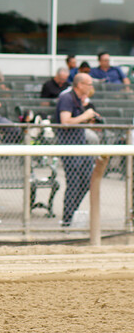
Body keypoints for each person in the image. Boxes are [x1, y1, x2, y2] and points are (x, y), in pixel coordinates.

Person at [54, 73, 99, 227]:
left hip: (82, 145)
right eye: (89, 84)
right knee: (73, 183)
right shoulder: (67, 97)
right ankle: (67, 219)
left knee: (87, 182)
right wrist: (85, 114)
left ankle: (73, 213)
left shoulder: (80, 100)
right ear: (80, 84)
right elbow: (65, 121)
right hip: (69, 146)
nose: (91, 87)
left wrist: (88, 117)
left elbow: (77, 120)